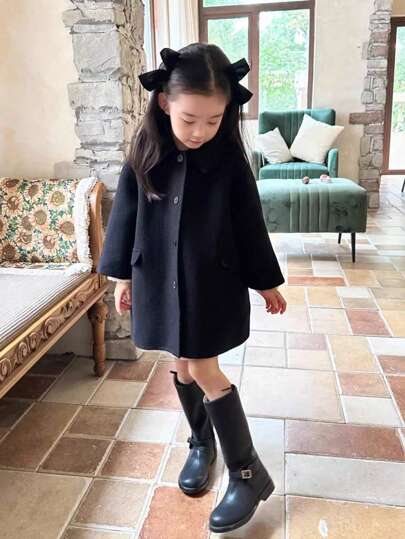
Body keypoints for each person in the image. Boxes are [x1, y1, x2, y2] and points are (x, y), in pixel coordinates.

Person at [97, 42, 287, 534]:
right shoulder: (145, 151)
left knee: (202, 365)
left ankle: (248, 473)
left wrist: (266, 281)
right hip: (159, 278)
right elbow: (125, 216)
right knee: (181, 364)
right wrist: (122, 275)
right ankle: (202, 445)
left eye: (213, 120)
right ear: (165, 102)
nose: (201, 131)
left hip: (211, 282)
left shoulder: (228, 161)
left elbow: (249, 223)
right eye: (189, 119)